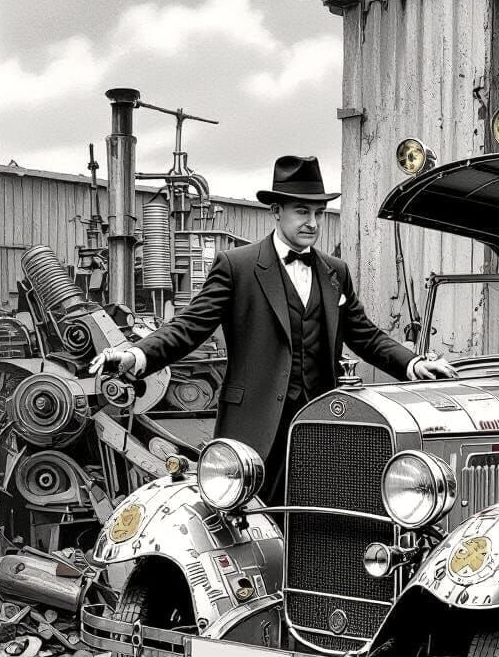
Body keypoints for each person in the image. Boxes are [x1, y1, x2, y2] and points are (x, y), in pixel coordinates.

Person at [90, 155, 455, 504]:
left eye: (318, 213)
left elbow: (364, 334)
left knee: (314, 526)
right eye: (302, 211)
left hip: (319, 427)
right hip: (253, 430)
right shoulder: (238, 266)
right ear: (276, 211)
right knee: (251, 532)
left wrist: (412, 364)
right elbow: (189, 326)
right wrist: (136, 354)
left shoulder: (335, 272)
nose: (312, 222)